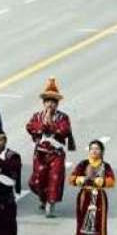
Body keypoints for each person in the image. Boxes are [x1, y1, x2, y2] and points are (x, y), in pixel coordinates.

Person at [26, 77, 75, 217]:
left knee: (54, 178)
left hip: (56, 154)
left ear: (57, 104)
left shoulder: (63, 118)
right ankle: (43, 198)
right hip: (40, 153)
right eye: (47, 101)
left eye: (53, 102)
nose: (50, 105)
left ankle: (51, 204)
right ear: (43, 103)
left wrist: (51, 125)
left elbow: (64, 130)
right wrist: (44, 124)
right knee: (38, 179)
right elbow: (30, 127)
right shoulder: (37, 116)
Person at [71, 139, 116, 235]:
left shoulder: (105, 166)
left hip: (98, 198)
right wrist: (81, 179)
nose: (94, 151)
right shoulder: (83, 164)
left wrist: (99, 181)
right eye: (92, 149)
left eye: (97, 148)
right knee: (83, 224)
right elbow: (72, 178)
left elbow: (112, 181)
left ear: (101, 151)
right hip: (84, 197)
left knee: (96, 225)